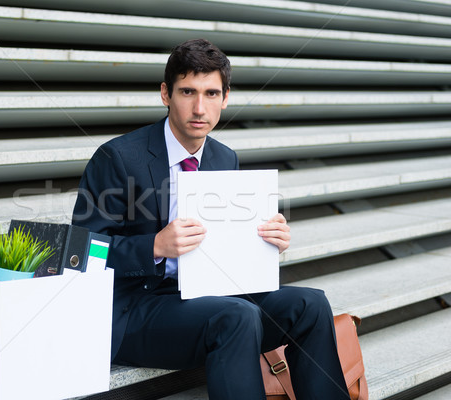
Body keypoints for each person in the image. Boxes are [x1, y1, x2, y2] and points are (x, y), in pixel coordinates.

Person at [72, 38, 350, 399]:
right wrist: (154, 246)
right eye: (187, 91)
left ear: (226, 98)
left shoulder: (224, 157)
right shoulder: (117, 158)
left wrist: (265, 244)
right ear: (165, 94)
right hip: (134, 311)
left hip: (205, 295)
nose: (199, 107)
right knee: (237, 316)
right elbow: (82, 251)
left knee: (310, 304)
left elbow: (226, 248)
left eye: (211, 94)